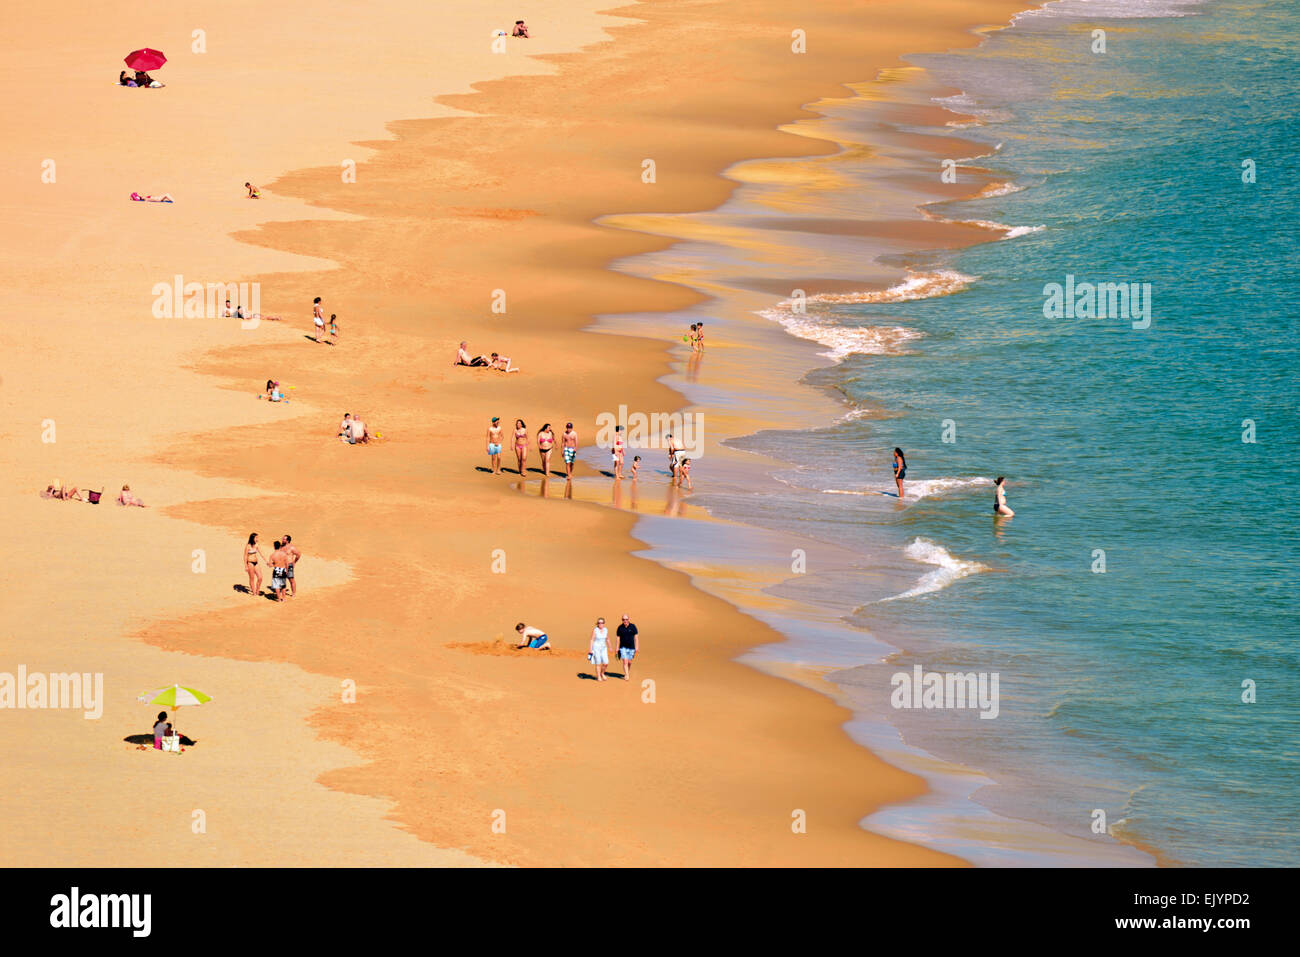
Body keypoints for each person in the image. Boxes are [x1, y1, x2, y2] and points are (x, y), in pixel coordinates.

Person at [615, 615, 639, 679]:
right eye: (623, 619)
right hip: (623, 647)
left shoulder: (633, 626)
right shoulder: (620, 628)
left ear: (628, 619)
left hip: (631, 647)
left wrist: (637, 647)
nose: (625, 620)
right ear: (622, 620)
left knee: (629, 662)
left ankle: (627, 672)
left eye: (626, 619)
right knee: (625, 661)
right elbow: (618, 639)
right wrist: (617, 648)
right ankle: (627, 675)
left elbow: (636, 638)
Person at [244, 533, 266, 598]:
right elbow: (245, 556)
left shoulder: (257, 545)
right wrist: (245, 565)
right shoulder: (248, 546)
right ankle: (254, 593)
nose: (257, 539)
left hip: (256, 562)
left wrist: (266, 561)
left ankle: (257, 591)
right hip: (250, 563)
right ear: (252, 538)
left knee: (260, 577)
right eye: (256, 538)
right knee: (252, 578)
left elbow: (261, 553)